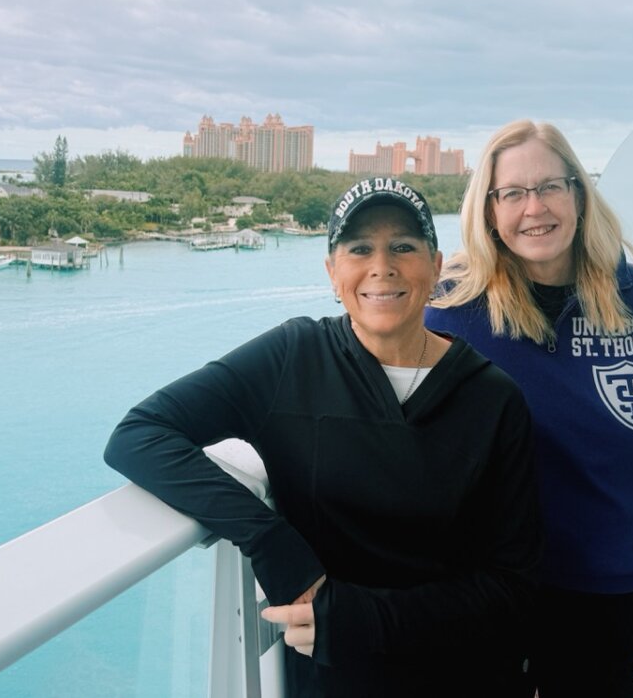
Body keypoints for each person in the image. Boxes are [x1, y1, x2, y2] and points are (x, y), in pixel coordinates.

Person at [104, 177, 541, 698]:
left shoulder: (493, 399)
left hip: (463, 675)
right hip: (332, 681)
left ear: (436, 266)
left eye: (404, 246)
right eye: (360, 249)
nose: (382, 266)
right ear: (333, 273)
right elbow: (140, 434)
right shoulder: (294, 358)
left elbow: (514, 586)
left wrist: (367, 619)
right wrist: (270, 539)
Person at [424, 120, 633, 697]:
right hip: (500, 599)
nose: (534, 207)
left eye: (550, 186)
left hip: (631, 604)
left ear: (579, 194)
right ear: (489, 210)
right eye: (512, 193)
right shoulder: (451, 311)